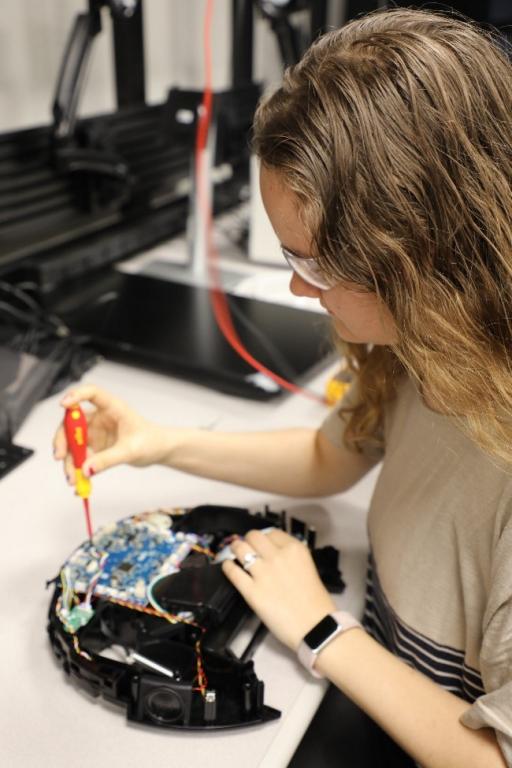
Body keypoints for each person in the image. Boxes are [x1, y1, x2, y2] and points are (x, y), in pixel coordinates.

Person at [53, 8, 512, 768]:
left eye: (318, 264)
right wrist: (157, 443)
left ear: (420, 251)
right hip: (385, 678)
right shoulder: (427, 344)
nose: (299, 289)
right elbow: (329, 458)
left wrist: (322, 632)